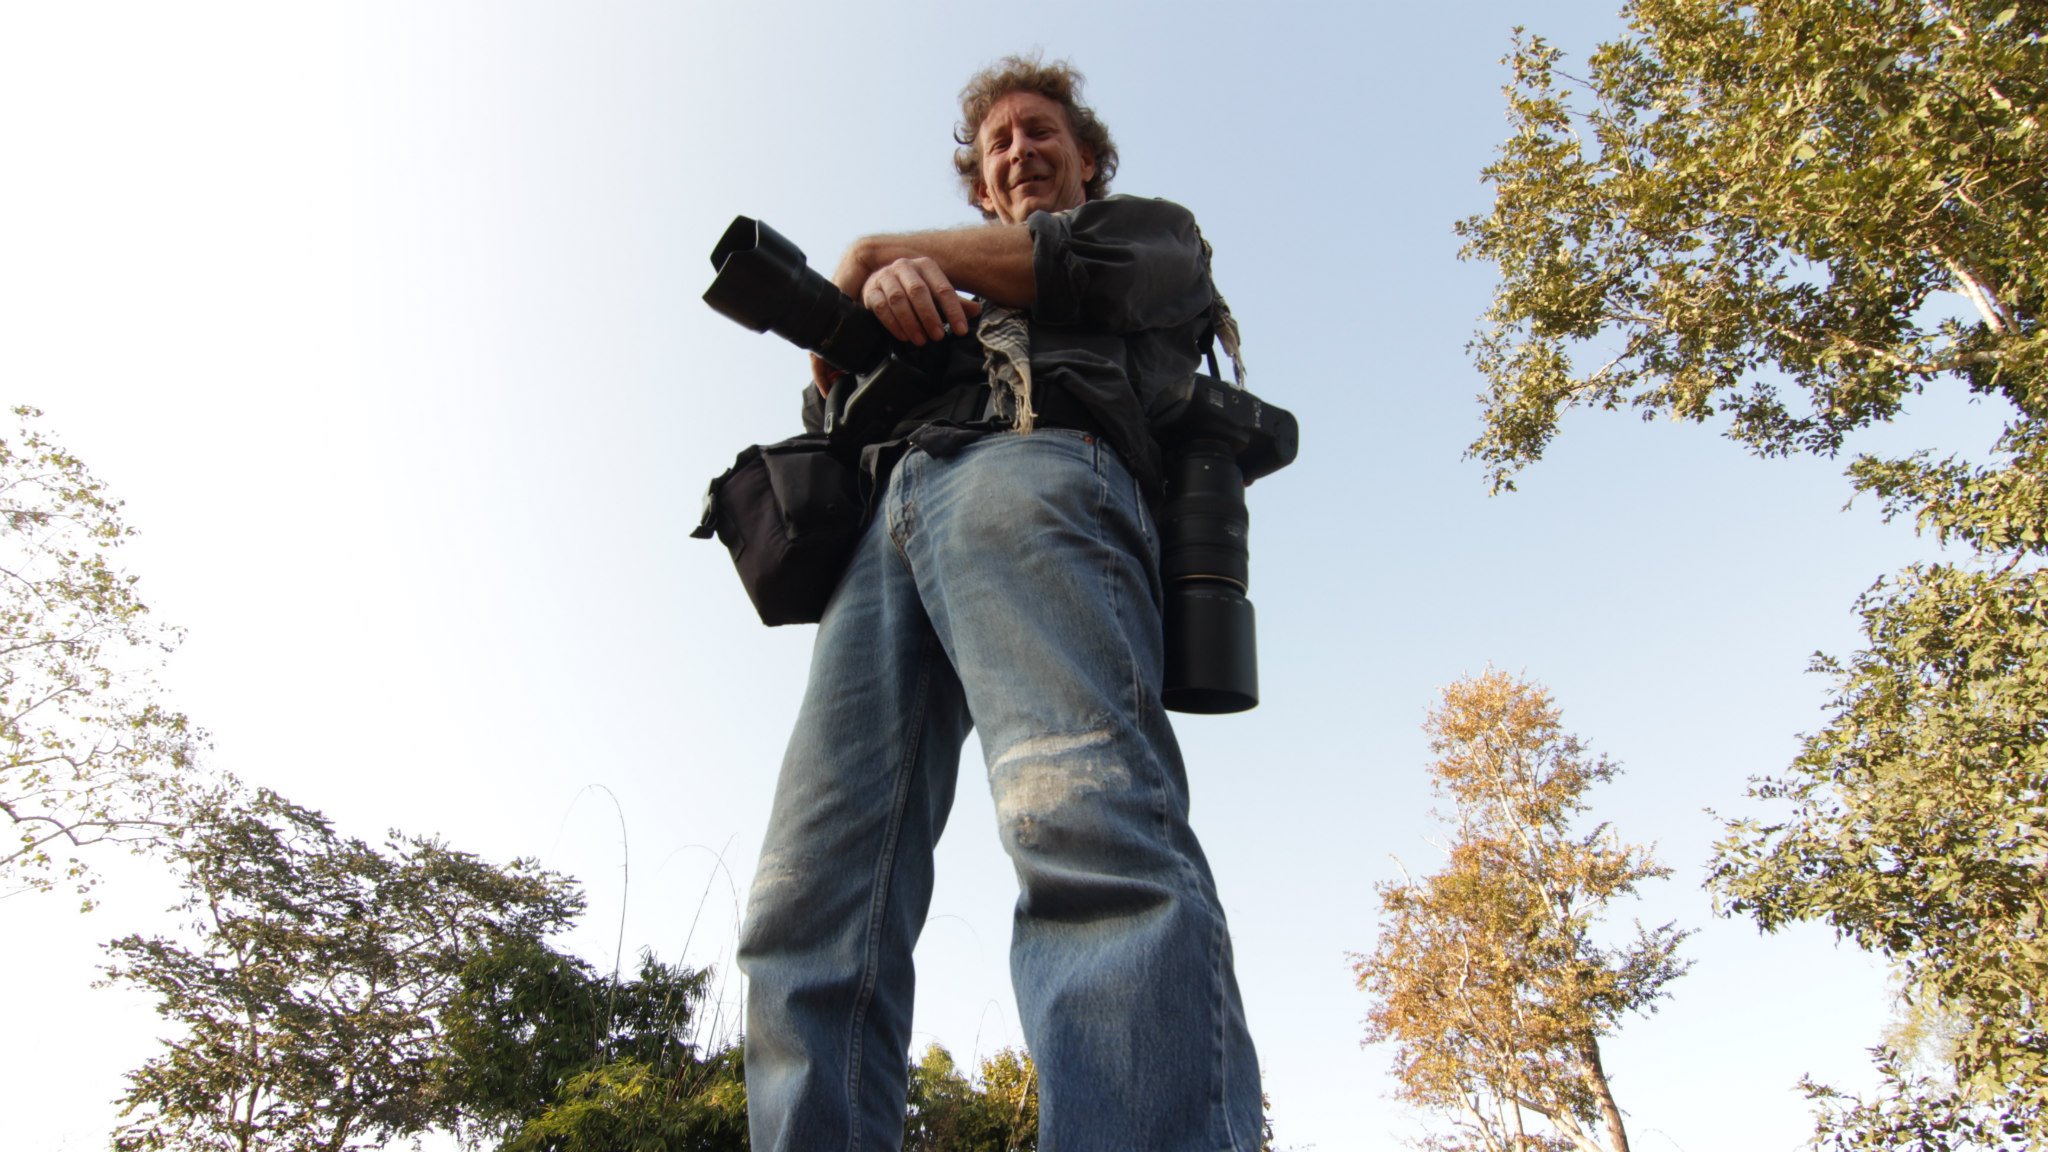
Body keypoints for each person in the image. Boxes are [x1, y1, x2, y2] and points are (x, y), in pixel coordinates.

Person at [736, 55, 1263, 1152]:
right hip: (885, 527)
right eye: (997, 147)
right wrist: (869, 314)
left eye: (1040, 134)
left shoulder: (1154, 235)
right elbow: (828, 415)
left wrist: (882, 255)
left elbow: (1094, 272)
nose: (1019, 151)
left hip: (1039, 470)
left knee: (1079, 821)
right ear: (979, 184)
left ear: (1085, 158)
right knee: (807, 899)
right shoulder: (933, 299)